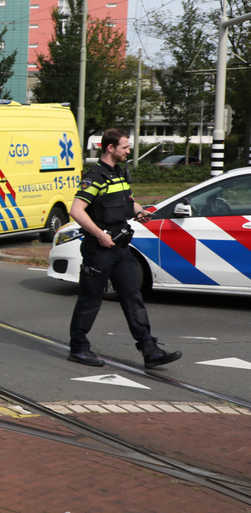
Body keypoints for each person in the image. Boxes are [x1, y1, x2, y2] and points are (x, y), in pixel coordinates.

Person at [67, 128, 182, 369]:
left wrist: (139, 211)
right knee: (90, 300)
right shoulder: (95, 176)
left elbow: (128, 201)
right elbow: (76, 210)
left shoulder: (119, 174)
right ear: (111, 148)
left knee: (133, 298)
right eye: (125, 147)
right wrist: (99, 234)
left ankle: (149, 349)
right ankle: (78, 348)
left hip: (121, 249)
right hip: (98, 251)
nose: (129, 151)